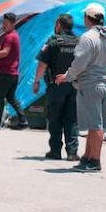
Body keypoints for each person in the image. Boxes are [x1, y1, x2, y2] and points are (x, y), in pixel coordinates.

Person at [55, 3, 106, 172]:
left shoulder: (88, 37)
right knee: (94, 124)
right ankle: (87, 157)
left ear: (87, 18)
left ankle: (95, 161)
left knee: (95, 125)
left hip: (90, 85)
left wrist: (67, 76)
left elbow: (79, 63)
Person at [33, 14, 80, 161]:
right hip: (74, 85)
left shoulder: (53, 41)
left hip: (56, 86)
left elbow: (42, 64)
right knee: (72, 119)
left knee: (55, 118)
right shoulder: (79, 42)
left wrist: (36, 81)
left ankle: (55, 151)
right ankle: (72, 152)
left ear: (59, 25)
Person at [0, 13, 28, 129]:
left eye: (5, 24)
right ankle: (23, 120)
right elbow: (6, 50)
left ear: (12, 24)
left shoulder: (9, 37)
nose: (3, 26)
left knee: (0, 98)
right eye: (3, 23)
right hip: (13, 74)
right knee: (11, 98)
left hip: (5, 73)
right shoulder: (14, 36)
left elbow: (5, 53)